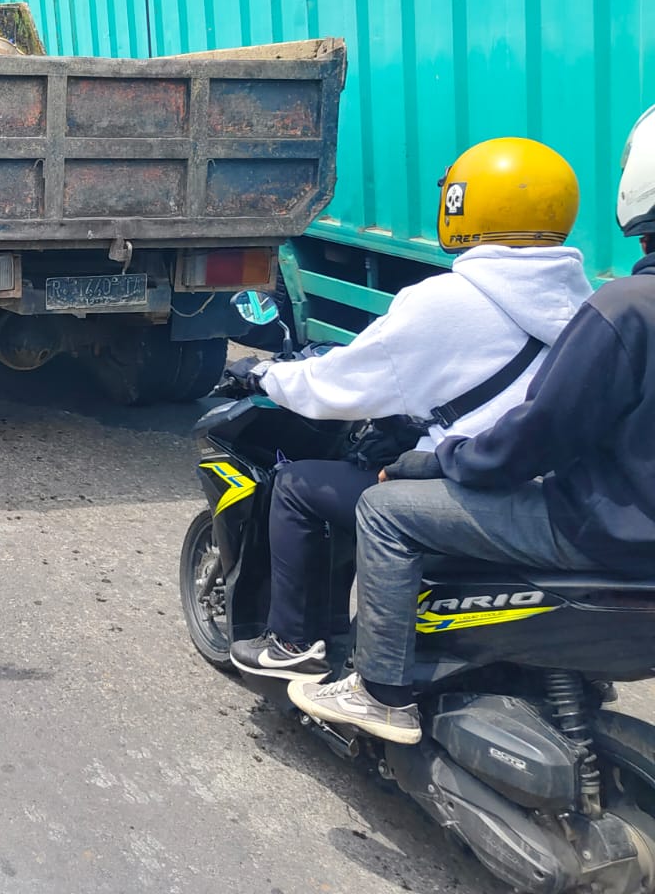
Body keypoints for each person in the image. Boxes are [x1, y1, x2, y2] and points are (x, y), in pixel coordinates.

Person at [289, 113, 655, 744]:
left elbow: (538, 436)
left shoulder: (625, 308)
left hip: (607, 534)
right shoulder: (584, 298)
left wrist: (446, 459)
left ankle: (380, 690)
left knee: (385, 509)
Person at [224, 138, 591, 681]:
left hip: (472, 490)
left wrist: (265, 374)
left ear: (465, 204)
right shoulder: (585, 302)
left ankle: (295, 644)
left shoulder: (447, 299)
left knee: (299, 486)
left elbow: (341, 384)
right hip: (548, 500)